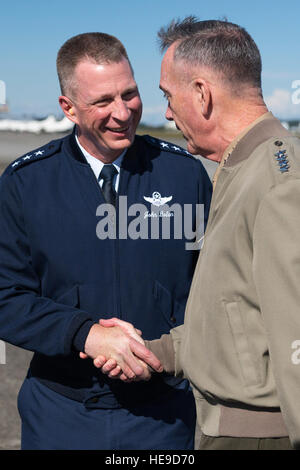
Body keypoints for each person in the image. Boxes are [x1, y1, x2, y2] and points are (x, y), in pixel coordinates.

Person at [0, 32, 212, 450]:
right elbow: (5, 295)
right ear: (69, 108)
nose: (122, 112)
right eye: (102, 101)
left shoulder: (184, 175)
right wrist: (84, 333)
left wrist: (164, 353)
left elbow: (213, 282)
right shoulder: (25, 184)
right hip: (61, 413)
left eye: (129, 94)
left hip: (163, 415)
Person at [97, 18, 300, 450]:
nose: (167, 112)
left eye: (169, 97)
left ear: (203, 94)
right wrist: (160, 352)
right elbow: (236, 308)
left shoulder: (279, 179)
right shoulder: (239, 168)